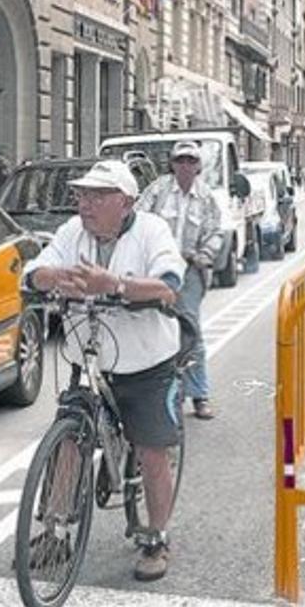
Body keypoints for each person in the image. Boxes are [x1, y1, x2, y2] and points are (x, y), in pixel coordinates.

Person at [22, 159, 185, 582]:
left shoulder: (152, 231)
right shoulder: (71, 233)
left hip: (146, 361)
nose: (85, 204)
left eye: (97, 196)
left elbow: (169, 284)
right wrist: (53, 276)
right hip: (90, 357)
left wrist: (114, 285)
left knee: (151, 452)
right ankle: (55, 530)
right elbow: (33, 272)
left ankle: (157, 536)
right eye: (82, 195)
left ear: (126, 202)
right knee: (68, 439)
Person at [137, 140, 223, 421]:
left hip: (189, 271)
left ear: (198, 166)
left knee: (191, 331)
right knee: (154, 329)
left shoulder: (207, 197)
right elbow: (138, 220)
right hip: (157, 271)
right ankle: (161, 395)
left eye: (190, 161)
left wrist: (203, 254)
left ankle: (200, 395)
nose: (185, 166)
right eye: (180, 160)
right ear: (172, 164)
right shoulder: (158, 190)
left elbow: (216, 232)